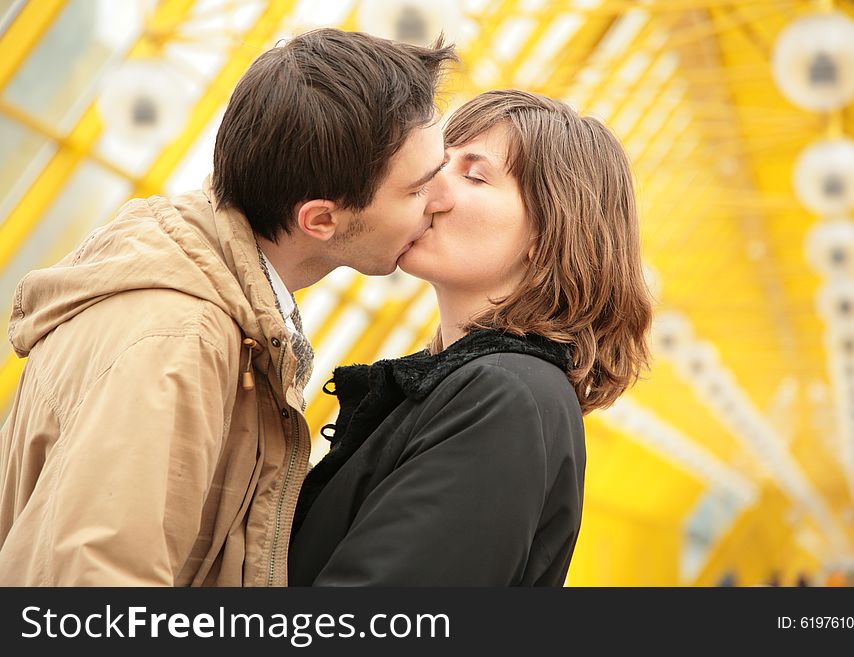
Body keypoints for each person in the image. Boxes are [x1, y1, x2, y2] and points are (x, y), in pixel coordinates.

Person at [0, 28, 457, 586]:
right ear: (320, 219)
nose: (444, 198)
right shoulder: (180, 340)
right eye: (417, 189)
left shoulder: (218, 315)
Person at [289, 90, 653, 586]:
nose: (432, 188)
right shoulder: (471, 388)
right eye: (439, 162)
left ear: (548, 235)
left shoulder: (506, 398)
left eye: (474, 174)